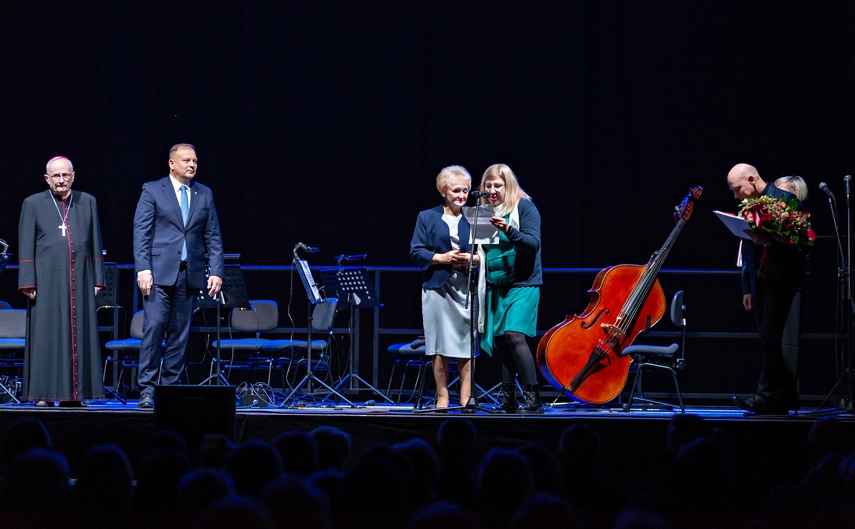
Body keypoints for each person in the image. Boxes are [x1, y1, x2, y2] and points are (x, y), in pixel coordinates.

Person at [133, 143, 224, 409]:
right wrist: (143, 268)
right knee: (154, 329)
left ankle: (170, 388)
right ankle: (147, 389)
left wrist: (216, 270)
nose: (192, 164)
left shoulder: (204, 194)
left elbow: (213, 235)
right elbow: (142, 232)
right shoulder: (152, 190)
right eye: (186, 160)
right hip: (158, 273)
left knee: (180, 334)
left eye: (195, 160)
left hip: (190, 273)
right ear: (172, 163)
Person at [17, 156, 106, 407]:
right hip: (45, 281)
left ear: (73, 176)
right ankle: (44, 394)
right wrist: (28, 281)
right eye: (56, 176)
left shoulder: (87, 201)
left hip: (81, 277)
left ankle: (75, 395)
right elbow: (25, 243)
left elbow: (95, 241)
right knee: (46, 336)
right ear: (47, 178)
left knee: (81, 334)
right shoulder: (33, 203)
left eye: (65, 175)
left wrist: (98, 278)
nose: (61, 180)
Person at [727, 163, 805, 414]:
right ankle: (780, 399)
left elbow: (801, 241)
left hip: (781, 278)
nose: (736, 196)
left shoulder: (784, 199)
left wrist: (771, 240)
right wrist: (747, 288)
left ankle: (764, 397)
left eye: (738, 189)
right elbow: (747, 250)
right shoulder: (748, 206)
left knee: (770, 336)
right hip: (760, 280)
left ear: (751, 179)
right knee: (766, 338)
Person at [477, 164, 543, 414]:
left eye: (498, 186)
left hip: (523, 283)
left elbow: (532, 244)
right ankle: (508, 398)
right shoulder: (484, 212)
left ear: (508, 186)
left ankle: (533, 397)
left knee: (515, 335)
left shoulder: (524, 206)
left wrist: (508, 230)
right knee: (502, 341)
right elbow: (484, 250)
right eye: (488, 185)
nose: (492, 190)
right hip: (496, 285)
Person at [410, 166, 477, 409]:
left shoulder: (477, 215)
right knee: (439, 344)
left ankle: (467, 398)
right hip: (437, 288)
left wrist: (472, 259)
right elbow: (416, 251)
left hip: (467, 287)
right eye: (456, 190)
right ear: (443, 191)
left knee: (466, 344)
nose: (462, 195)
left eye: (466, 191)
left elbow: (489, 254)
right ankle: (442, 397)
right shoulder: (426, 217)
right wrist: (442, 258)